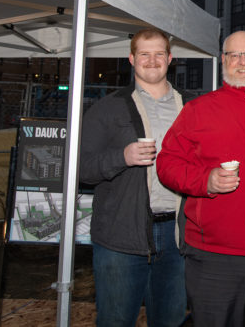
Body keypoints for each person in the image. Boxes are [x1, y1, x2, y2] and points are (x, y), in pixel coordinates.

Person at [156, 30, 245, 327]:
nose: (243, 62)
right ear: (223, 60)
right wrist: (205, 181)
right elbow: (167, 163)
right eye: (234, 55)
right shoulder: (198, 110)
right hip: (214, 257)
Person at [79, 28, 188, 327]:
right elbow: (81, 169)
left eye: (158, 54)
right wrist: (121, 157)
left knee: (171, 320)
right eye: (144, 54)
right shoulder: (107, 108)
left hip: (178, 236)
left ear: (170, 59)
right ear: (131, 58)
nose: (151, 61)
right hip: (120, 236)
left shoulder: (191, 107)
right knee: (115, 321)